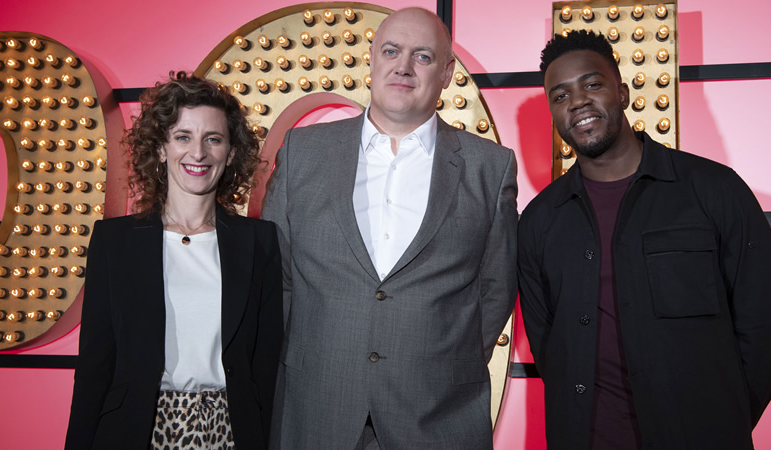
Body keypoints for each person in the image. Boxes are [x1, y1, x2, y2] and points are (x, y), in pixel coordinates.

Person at [518, 30, 771, 449]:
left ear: (624, 93)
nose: (577, 102)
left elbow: (767, 319)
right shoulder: (539, 220)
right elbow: (549, 345)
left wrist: (725, 417)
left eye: (592, 84)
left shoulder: (713, 190)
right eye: (560, 96)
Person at [261, 7, 518, 449]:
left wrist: (437, 361)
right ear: (373, 59)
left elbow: (496, 287)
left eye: (422, 56)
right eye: (391, 51)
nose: (403, 66)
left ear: (446, 72)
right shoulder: (303, 152)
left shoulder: (489, 167)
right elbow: (276, 278)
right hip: (316, 409)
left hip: (438, 417)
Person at [65, 72, 283, 449]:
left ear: (230, 153)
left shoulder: (259, 241)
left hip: (231, 430)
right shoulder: (115, 242)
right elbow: (94, 368)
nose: (197, 153)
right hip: (134, 431)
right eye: (183, 137)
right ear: (161, 147)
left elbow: (265, 366)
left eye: (212, 139)